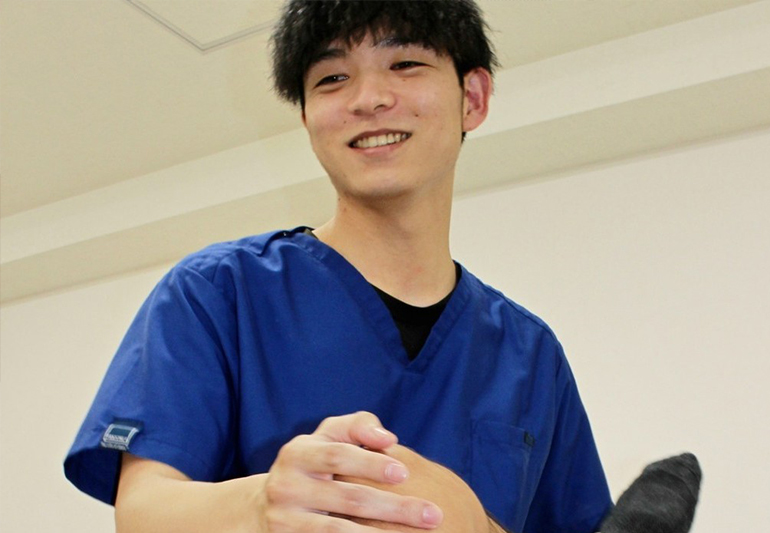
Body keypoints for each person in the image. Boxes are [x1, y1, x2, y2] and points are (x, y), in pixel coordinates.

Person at [64, 1, 613, 532]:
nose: (369, 99)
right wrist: (264, 504)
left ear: (473, 97)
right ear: (306, 118)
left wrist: (477, 527)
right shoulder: (217, 293)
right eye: (332, 78)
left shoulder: (530, 355)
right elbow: (144, 512)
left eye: (405, 64)